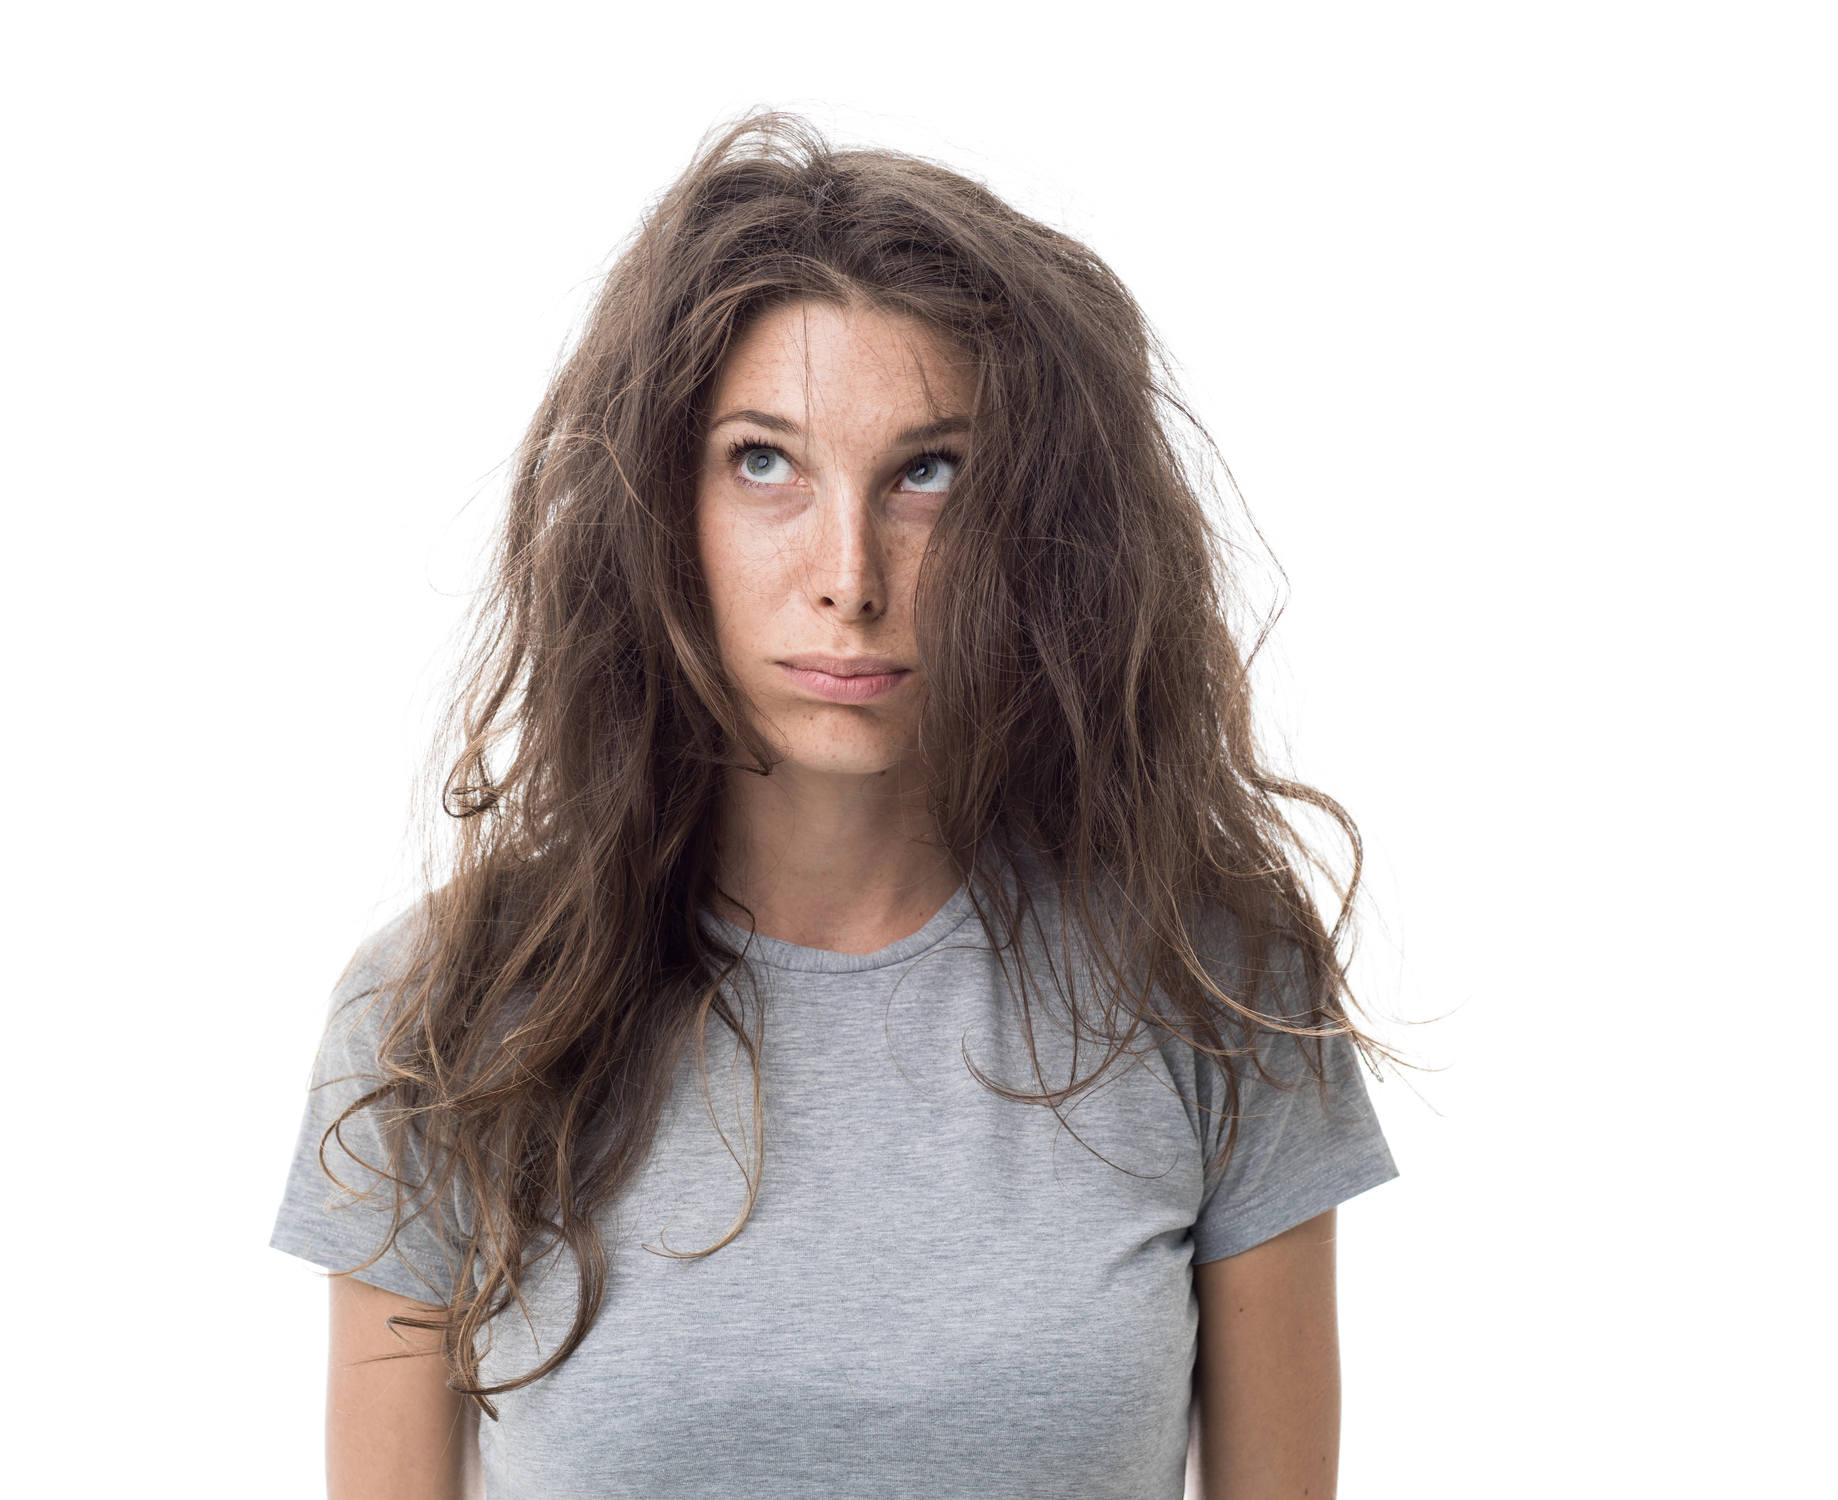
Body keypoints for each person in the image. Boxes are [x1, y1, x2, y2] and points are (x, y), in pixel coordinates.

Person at [273, 113, 1398, 1500]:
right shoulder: (443, 1013)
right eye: (765, 462)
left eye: (932, 473)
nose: (848, 577)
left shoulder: (1217, 983)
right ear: (656, 506)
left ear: (1043, 523)